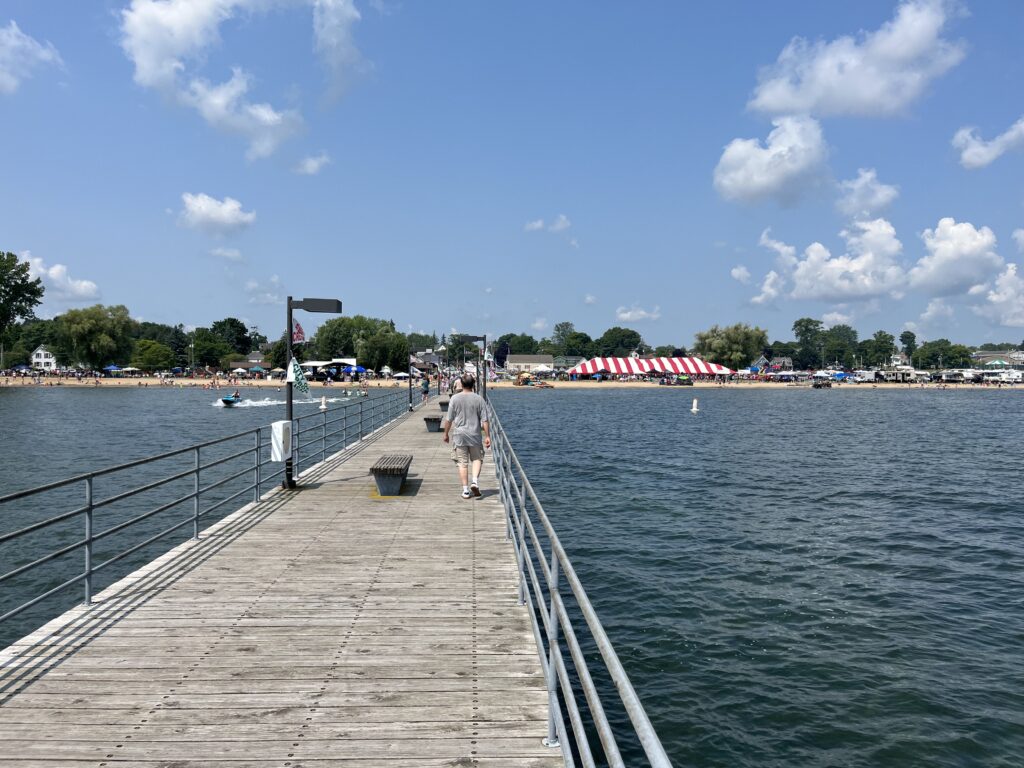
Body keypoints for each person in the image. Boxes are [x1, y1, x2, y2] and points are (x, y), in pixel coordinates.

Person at [442, 375, 491, 499]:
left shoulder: (454, 398)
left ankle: (465, 490)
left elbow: (449, 419)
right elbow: (485, 420)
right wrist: (487, 436)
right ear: (473, 384)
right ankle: (474, 481)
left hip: (459, 435)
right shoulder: (479, 399)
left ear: (461, 385)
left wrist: (446, 433)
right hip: (474, 434)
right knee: (477, 459)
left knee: (462, 463)